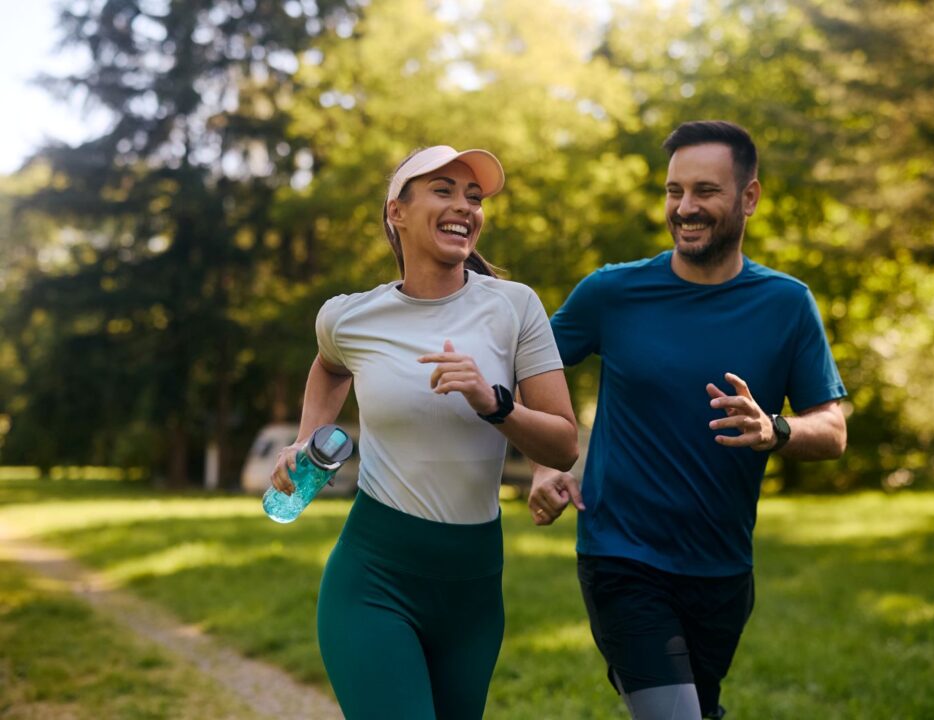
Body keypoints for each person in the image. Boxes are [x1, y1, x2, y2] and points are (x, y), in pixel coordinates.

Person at [529, 120, 848, 720]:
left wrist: (774, 430)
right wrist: (546, 460)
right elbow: (527, 366)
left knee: (699, 710)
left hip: (722, 568)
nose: (686, 207)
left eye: (706, 191)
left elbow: (831, 430)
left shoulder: (786, 303)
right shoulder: (613, 293)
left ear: (749, 197)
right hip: (621, 556)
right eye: (675, 192)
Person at [270, 145, 579, 720]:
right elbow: (329, 365)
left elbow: (562, 443)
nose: (464, 206)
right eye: (443, 190)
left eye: (474, 197)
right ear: (397, 212)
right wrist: (307, 437)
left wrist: (494, 402)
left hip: (473, 589)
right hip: (374, 579)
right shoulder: (349, 317)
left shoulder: (515, 309)